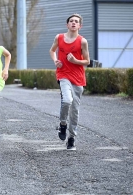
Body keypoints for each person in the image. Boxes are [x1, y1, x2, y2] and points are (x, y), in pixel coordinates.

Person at [49, 14, 90, 150]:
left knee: (75, 110)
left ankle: (71, 138)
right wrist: (55, 60)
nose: (73, 23)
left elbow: (87, 61)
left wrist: (75, 61)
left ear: (80, 26)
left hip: (78, 78)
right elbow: (52, 50)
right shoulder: (59, 38)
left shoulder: (82, 41)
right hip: (63, 74)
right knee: (67, 100)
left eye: (76, 22)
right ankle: (62, 125)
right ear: (67, 25)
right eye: (71, 21)